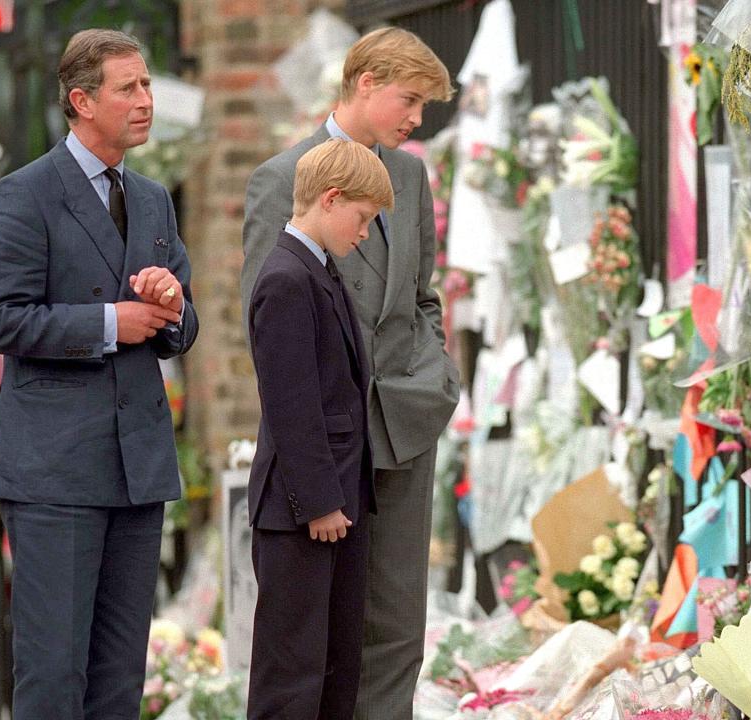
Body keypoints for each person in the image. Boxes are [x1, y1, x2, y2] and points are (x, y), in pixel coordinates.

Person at [0, 29, 198, 720]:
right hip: (54, 472)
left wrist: (172, 304)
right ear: (81, 101)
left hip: (139, 467)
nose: (146, 100)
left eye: (148, 85)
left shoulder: (154, 198)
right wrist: (108, 324)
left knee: (120, 679)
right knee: (53, 677)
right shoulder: (24, 194)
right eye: (128, 88)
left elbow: (180, 328)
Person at [241, 27, 460, 719]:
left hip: (408, 424)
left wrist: (437, 378)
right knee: (318, 638)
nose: (417, 119)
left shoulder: (411, 175)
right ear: (366, 83)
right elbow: (271, 329)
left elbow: (424, 295)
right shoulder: (284, 179)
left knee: (398, 624)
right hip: (334, 440)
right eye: (411, 99)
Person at [247, 138, 392, 720]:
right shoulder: (286, 278)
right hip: (302, 510)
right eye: (362, 219)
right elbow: (292, 405)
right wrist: (319, 502)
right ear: (331, 200)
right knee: (292, 675)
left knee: (335, 666)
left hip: (335, 504)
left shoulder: (319, 269)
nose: (364, 234)